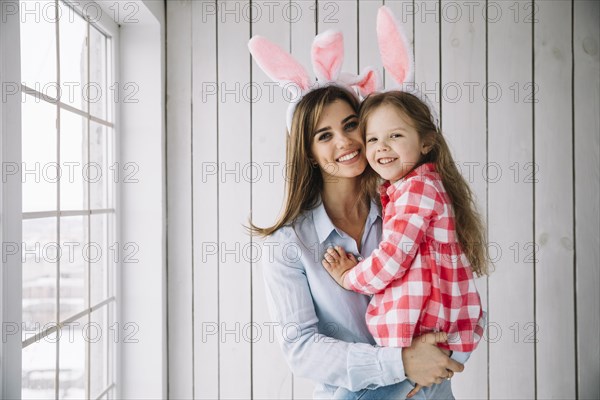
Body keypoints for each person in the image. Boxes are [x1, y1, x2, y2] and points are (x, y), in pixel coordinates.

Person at [251, 85, 464, 399]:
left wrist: (444, 350)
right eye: (324, 135)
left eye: (351, 125)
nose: (345, 141)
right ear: (308, 152)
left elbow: (452, 282)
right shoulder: (288, 244)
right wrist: (400, 363)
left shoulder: (410, 208)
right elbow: (302, 348)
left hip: (430, 391)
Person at [321, 90, 488, 399]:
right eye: (372, 139)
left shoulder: (416, 191)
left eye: (395, 135)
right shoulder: (409, 189)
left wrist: (350, 276)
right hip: (430, 338)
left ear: (425, 142)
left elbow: (391, 259)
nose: (381, 147)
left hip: (426, 339)